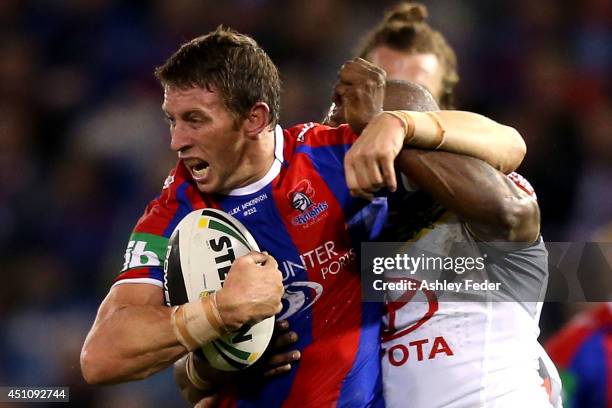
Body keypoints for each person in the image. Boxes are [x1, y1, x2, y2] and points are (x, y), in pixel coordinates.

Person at [80, 26, 527, 407]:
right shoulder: (171, 216)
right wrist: (219, 316)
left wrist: (397, 126)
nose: (177, 140)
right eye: (172, 120)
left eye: (195, 120)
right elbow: (101, 358)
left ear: (254, 119)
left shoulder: (336, 160)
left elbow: (511, 165)